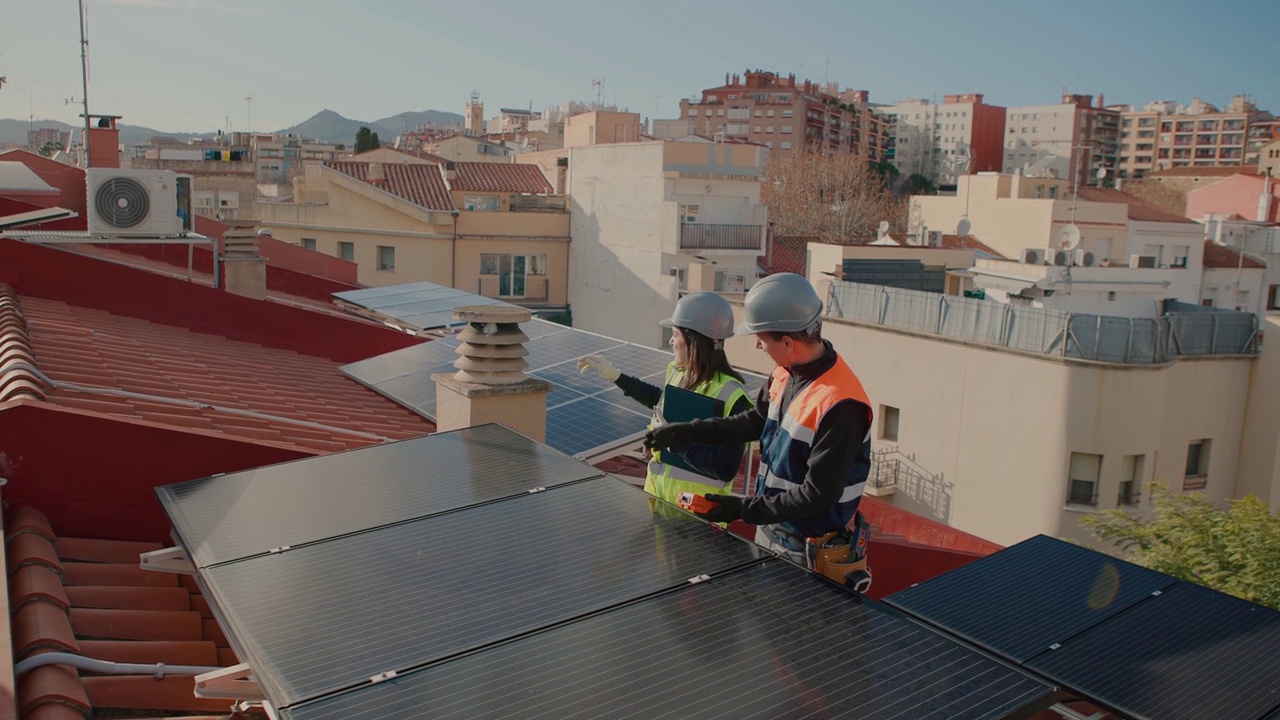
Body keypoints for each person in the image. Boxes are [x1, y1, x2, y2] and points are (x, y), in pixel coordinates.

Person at [643, 273, 874, 590]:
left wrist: (742, 509)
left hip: (808, 546)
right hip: (774, 526)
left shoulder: (840, 405)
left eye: (761, 339)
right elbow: (753, 422)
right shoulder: (786, 372)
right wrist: (689, 432)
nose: (756, 344)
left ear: (788, 342)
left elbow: (817, 495)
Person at [577, 292, 753, 506]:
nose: (670, 341)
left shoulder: (733, 397)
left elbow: (725, 468)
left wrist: (675, 444)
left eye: (675, 334)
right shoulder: (679, 373)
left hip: (699, 521)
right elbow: (659, 401)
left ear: (693, 341)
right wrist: (615, 375)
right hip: (659, 502)